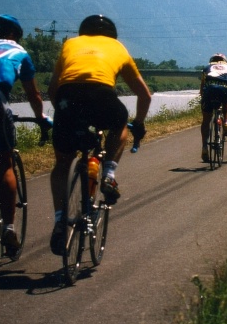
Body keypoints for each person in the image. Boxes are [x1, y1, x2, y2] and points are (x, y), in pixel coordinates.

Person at [48, 14, 151, 255]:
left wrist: (67, 116)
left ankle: (61, 219)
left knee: (62, 165)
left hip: (67, 98)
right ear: (112, 34)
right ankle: (109, 173)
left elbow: (53, 89)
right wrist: (139, 123)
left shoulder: (70, 44)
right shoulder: (118, 47)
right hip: (102, 96)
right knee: (120, 124)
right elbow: (144, 95)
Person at [0, 14, 48, 258]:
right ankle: (9, 228)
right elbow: (34, 95)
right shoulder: (19, 52)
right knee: (4, 164)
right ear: (13, 34)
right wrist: (42, 119)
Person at [200, 53, 227, 162]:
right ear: (225, 60)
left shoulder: (207, 67)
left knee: (206, 120)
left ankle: (205, 147)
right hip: (224, 90)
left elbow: (202, 86)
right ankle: (226, 122)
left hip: (210, 90)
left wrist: (203, 96)